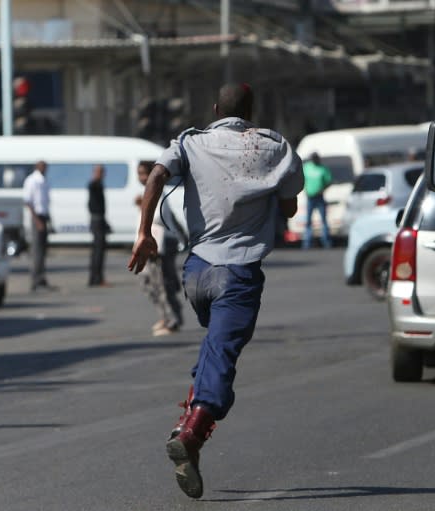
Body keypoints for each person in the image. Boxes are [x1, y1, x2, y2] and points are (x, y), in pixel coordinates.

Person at [128, 83, 304, 499]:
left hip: (197, 273)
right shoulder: (274, 147)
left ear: (214, 109)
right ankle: (192, 430)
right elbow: (290, 206)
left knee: (214, 346)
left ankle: (189, 421)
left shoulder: (191, 142)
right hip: (239, 273)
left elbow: (156, 173)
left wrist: (143, 233)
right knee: (222, 355)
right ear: (252, 112)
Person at [134, 161, 186, 337]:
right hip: (153, 244)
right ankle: (165, 317)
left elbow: (158, 218)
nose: (141, 177)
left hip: (160, 245)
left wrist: (143, 206)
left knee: (163, 284)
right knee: (149, 283)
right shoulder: (148, 193)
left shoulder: (156, 192)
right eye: (139, 173)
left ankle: (172, 320)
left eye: (144, 173)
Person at [23, 160, 55, 292]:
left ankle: (42, 278)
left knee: (43, 249)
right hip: (37, 217)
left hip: (43, 216)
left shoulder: (43, 180)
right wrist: (37, 221)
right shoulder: (32, 180)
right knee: (37, 249)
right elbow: (28, 201)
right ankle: (35, 280)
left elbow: (46, 202)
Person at [301, 152, 332, 249]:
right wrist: (305, 189)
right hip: (310, 197)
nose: (314, 160)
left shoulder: (323, 168)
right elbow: (302, 179)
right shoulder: (306, 167)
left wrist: (322, 189)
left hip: (319, 197)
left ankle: (326, 241)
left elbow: (329, 181)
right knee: (308, 220)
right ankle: (307, 242)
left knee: (323, 219)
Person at [88, 164, 110, 287]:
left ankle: (96, 277)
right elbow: (94, 206)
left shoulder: (99, 185)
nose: (102, 175)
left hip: (99, 219)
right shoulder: (94, 185)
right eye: (99, 172)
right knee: (98, 251)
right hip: (97, 220)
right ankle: (96, 278)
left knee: (99, 250)